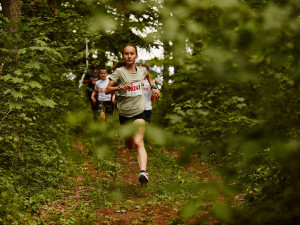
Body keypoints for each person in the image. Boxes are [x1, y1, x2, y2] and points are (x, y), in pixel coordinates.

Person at [105, 44, 160, 186]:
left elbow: (149, 77)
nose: (129, 56)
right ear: (123, 56)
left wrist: (154, 88)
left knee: (138, 142)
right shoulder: (119, 72)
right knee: (129, 145)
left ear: (136, 56)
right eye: (126, 54)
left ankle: (143, 172)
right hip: (124, 114)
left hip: (139, 112)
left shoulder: (142, 71)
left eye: (131, 53)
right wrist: (118, 87)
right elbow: (107, 90)